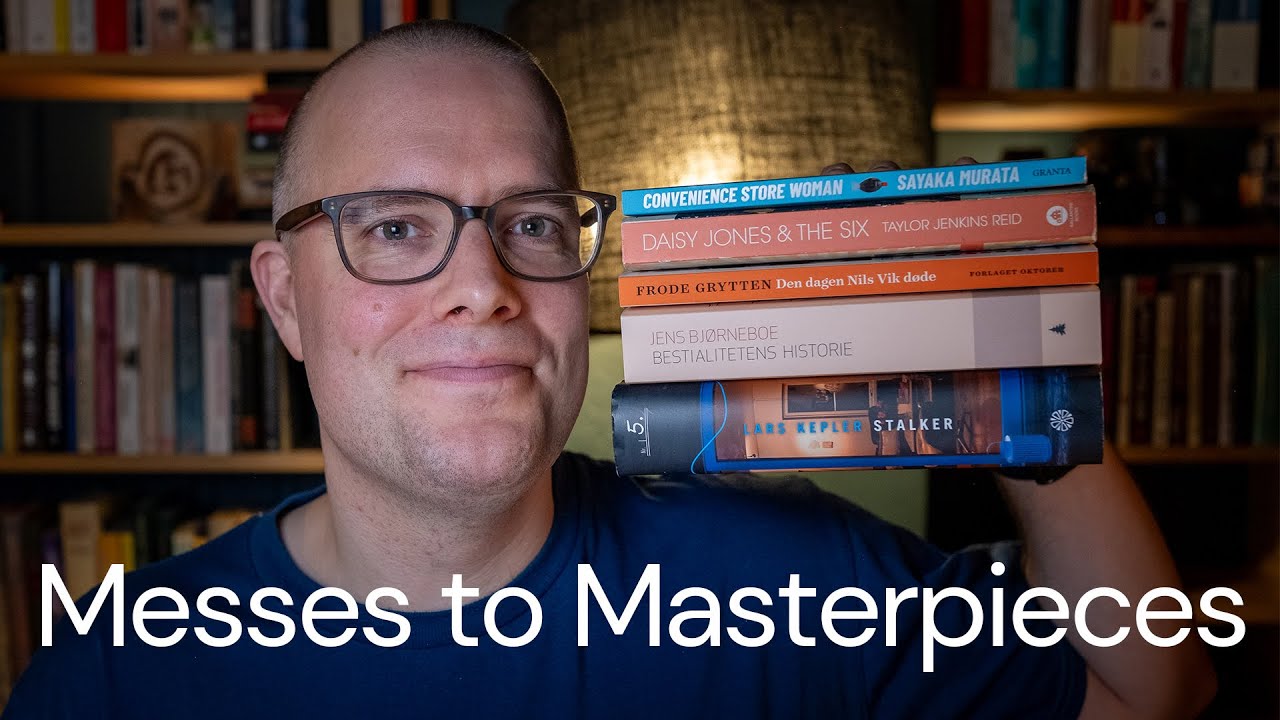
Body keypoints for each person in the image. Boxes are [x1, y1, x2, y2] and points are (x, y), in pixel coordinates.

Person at [5, 20, 1216, 719]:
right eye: (394, 227)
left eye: (530, 222)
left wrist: (1014, 372)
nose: (481, 284)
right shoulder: (108, 683)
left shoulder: (787, 580)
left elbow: (1146, 692)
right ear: (283, 300)